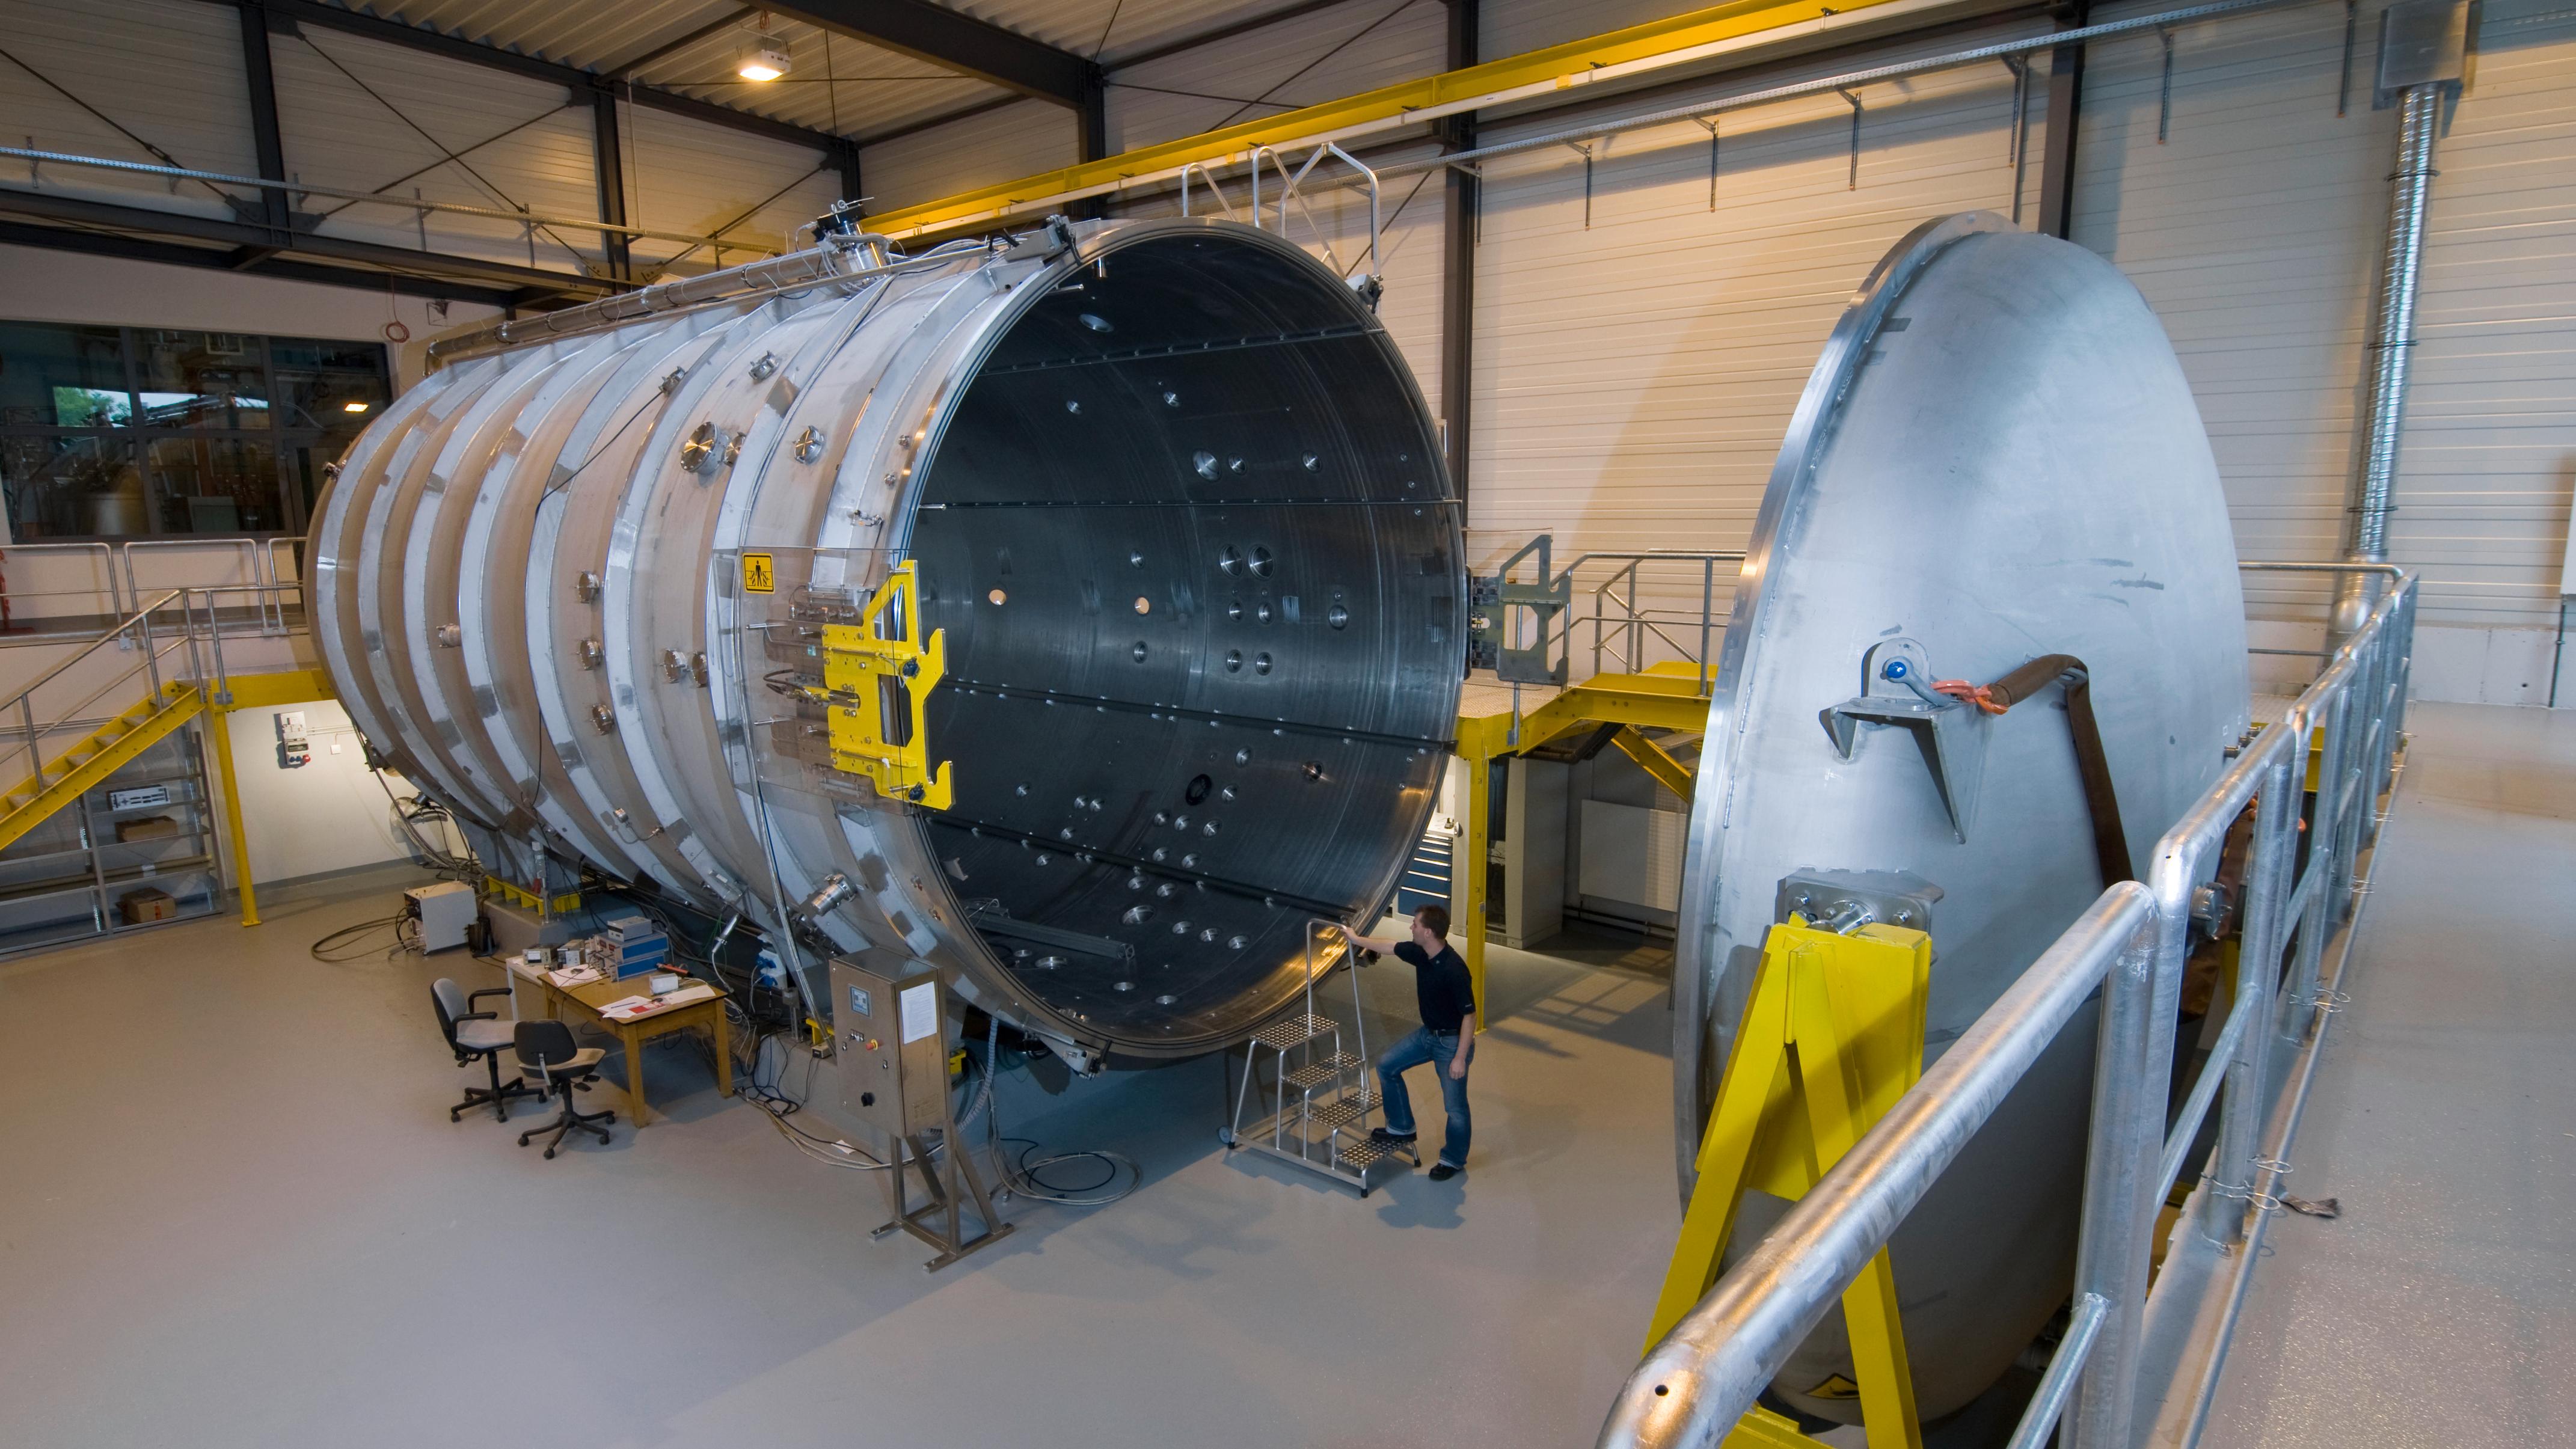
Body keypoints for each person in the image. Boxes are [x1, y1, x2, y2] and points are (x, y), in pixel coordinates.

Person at [1347, 904, 1475, 1181]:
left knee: (1455, 1108)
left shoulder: (1454, 969)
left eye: (1415, 924)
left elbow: (1469, 1016)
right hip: (1428, 1034)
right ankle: (1401, 1127)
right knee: (1387, 1066)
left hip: (1451, 1043)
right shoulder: (1422, 954)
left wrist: (1459, 1058)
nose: (1411, 927)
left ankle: (1453, 1160)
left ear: (1428, 932)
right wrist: (1356, 939)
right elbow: (1390, 946)